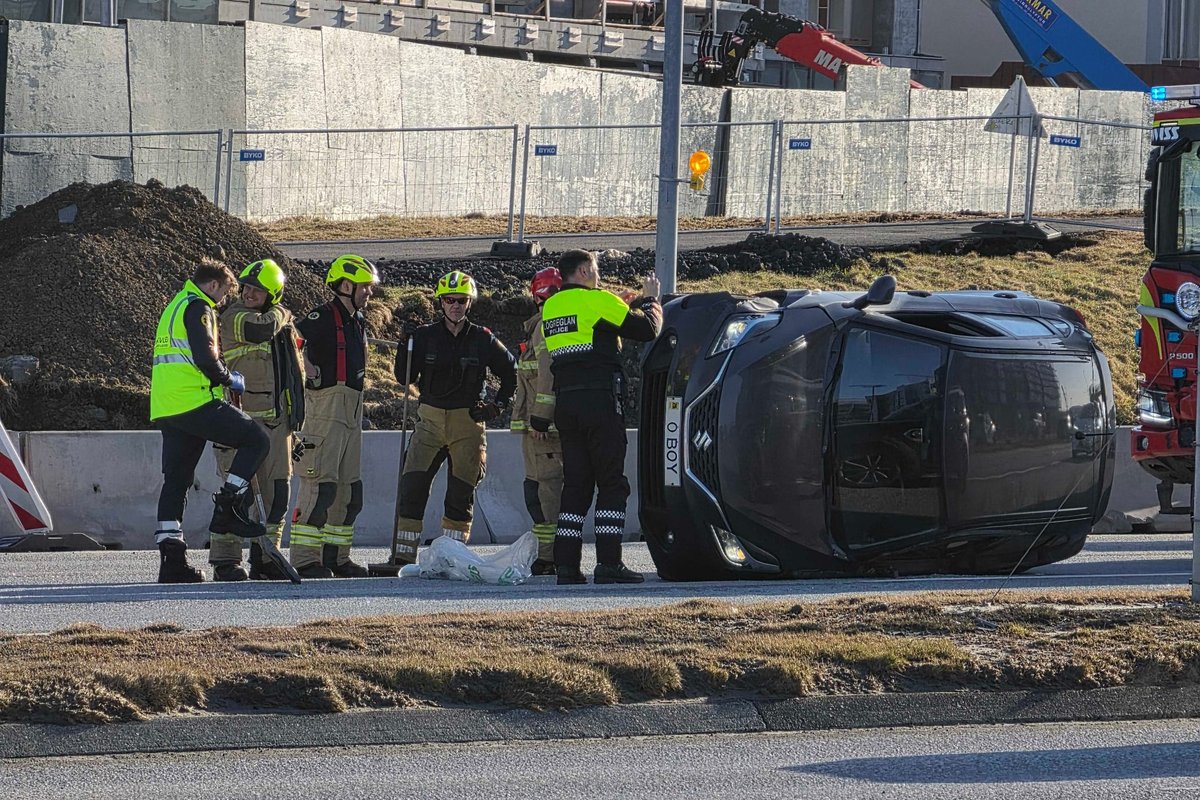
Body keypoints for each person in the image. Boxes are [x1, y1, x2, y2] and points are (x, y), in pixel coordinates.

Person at [539, 250, 661, 585]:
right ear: (582, 270)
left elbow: (590, 329)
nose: (599, 275)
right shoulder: (598, 300)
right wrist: (651, 300)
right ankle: (609, 562)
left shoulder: (552, 306)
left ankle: (566, 566)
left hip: (567, 404)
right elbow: (648, 330)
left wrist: (618, 305)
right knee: (611, 483)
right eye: (595, 269)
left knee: (576, 486)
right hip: (601, 403)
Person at [151, 258, 271, 584]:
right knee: (256, 439)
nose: (223, 302)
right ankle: (228, 507)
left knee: (176, 481)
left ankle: (172, 562)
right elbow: (206, 357)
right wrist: (231, 379)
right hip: (194, 401)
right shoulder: (198, 307)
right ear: (214, 285)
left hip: (168, 406)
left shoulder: (175, 305)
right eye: (225, 294)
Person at [391, 270, 517, 564]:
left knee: (461, 494)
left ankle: (452, 557)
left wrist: (497, 405)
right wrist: (404, 344)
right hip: (430, 421)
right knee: (412, 487)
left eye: (461, 300)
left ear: (469, 302)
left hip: (467, 424)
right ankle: (402, 557)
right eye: (449, 300)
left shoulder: (483, 339)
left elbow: (511, 372)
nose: (455, 306)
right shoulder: (423, 337)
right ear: (441, 302)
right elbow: (403, 377)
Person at [211, 259, 306, 581]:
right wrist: (283, 313)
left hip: (278, 426)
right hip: (240, 424)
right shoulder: (235, 317)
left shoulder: (281, 327)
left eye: (257, 290)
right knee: (239, 495)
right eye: (247, 287)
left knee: (277, 494)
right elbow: (260, 328)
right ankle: (225, 560)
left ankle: (265, 558)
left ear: (272, 294)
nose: (249, 293)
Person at [290, 254, 378, 578]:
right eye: (364, 287)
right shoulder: (322, 317)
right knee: (320, 487)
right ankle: (304, 559)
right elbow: (291, 338)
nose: (369, 293)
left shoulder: (357, 321)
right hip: (324, 412)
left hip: (352, 412)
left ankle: (336, 558)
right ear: (345, 285)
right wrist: (306, 368)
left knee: (349, 492)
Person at [510, 267, 564, 575]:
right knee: (540, 490)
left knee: (545, 491)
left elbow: (548, 373)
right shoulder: (546, 326)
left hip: (542, 432)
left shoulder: (545, 327)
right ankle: (549, 554)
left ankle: (549, 556)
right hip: (537, 430)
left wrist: (541, 420)